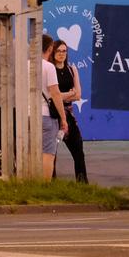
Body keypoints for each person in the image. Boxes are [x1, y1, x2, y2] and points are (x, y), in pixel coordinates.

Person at [49, 39, 88, 183]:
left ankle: (83, 183)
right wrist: (67, 94)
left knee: (78, 150)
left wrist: (60, 95)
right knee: (51, 152)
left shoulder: (72, 69)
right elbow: (52, 95)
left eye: (64, 51)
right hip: (54, 115)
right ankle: (51, 183)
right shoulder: (50, 69)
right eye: (58, 51)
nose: (61, 54)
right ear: (53, 52)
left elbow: (78, 94)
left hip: (69, 116)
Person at [38, 34, 66, 181]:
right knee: (48, 154)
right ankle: (44, 187)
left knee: (30, 152)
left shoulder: (25, 65)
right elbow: (55, 93)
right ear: (50, 49)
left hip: (26, 114)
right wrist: (63, 118)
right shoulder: (48, 67)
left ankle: (29, 185)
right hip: (45, 116)